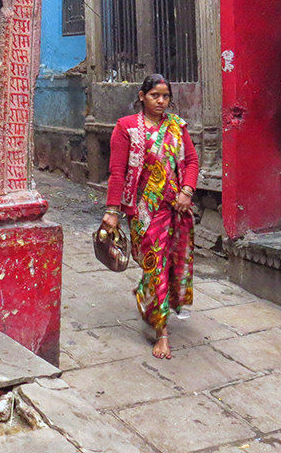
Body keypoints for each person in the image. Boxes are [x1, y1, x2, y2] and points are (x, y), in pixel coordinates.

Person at [101, 73, 199, 359]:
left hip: (175, 209)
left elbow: (191, 161)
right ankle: (160, 325)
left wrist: (187, 191)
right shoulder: (126, 127)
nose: (161, 101)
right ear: (142, 96)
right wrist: (112, 212)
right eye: (155, 95)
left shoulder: (177, 127)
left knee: (168, 265)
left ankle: (159, 321)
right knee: (154, 266)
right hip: (143, 212)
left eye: (165, 96)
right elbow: (117, 172)